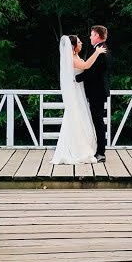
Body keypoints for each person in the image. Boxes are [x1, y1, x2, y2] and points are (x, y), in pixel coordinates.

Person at [51, 34, 108, 165]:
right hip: (75, 93)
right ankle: (76, 149)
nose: (81, 43)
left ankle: (82, 146)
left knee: (81, 118)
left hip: (80, 91)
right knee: (77, 117)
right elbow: (87, 66)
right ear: (73, 46)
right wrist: (97, 52)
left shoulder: (76, 56)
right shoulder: (71, 58)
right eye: (79, 42)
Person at [75, 25, 112, 163]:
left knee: (98, 122)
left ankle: (101, 153)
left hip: (97, 92)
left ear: (97, 35)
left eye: (91, 35)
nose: (90, 37)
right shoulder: (103, 49)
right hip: (98, 91)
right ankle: (99, 150)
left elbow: (93, 72)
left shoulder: (100, 51)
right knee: (97, 121)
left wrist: (76, 79)